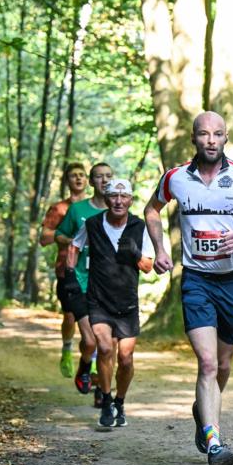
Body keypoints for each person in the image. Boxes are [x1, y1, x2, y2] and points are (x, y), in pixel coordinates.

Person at [143, 111, 233, 465]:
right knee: (206, 364)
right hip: (196, 281)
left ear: (226, 138)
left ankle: (202, 413)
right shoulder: (175, 178)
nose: (210, 140)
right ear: (194, 139)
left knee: (222, 366)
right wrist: (160, 249)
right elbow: (152, 210)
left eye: (217, 134)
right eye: (203, 134)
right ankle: (215, 443)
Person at [68, 178, 154, 430]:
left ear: (130, 200)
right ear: (106, 200)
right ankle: (106, 401)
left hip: (127, 303)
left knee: (126, 359)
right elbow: (74, 246)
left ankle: (120, 402)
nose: (118, 201)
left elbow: (148, 267)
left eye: (123, 196)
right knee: (105, 349)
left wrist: (136, 253)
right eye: (113, 197)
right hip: (99, 301)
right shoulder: (93, 224)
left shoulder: (140, 226)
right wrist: (71, 276)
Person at [56, 162, 114, 405]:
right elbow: (58, 235)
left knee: (108, 344)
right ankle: (83, 366)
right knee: (90, 341)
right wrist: (76, 242)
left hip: (109, 285)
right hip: (81, 281)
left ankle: (102, 389)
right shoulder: (77, 209)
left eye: (108, 177)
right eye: (98, 177)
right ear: (91, 182)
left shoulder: (119, 210)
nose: (103, 181)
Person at [39, 161, 88, 378]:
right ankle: (67, 349)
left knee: (95, 318)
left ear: (87, 180)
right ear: (67, 181)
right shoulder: (59, 208)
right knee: (70, 317)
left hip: (93, 271)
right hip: (67, 269)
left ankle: (92, 360)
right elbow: (44, 237)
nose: (78, 179)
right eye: (73, 175)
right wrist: (68, 238)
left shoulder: (96, 206)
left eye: (82, 175)